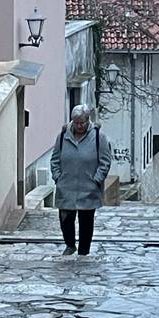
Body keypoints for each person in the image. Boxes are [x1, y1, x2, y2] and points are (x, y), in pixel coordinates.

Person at [50, 104, 112, 256]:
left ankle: (84, 250)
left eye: (82, 123)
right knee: (65, 219)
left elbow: (105, 161)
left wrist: (96, 179)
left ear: (87, 121)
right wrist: (58, 177)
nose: (79, 126)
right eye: (76, 122)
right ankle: (70, 245)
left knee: (86, 222)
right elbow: (55, 159)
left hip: (88, 187)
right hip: (66, 185)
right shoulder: (63, 135)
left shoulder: (98, 137)